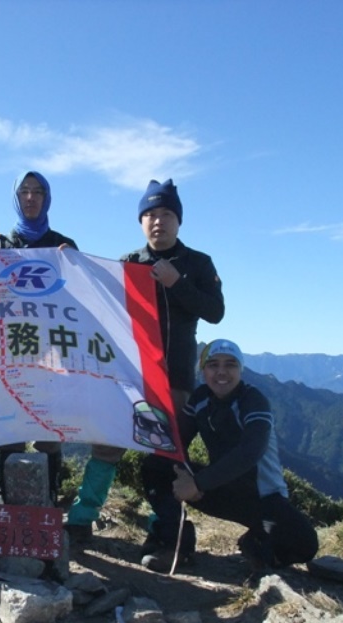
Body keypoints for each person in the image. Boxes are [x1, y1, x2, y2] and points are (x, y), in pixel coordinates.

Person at [65, 178, 225, 541]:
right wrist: (72, 265)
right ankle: (81, 517)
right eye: (150, 214)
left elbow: (215, 312)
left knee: (165, 452)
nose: (158, 221)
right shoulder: (128, 262)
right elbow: (96, 301)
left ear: (178, 221)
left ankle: (166, 528)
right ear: (141, 222)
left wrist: (177, 282)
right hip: (126, 373)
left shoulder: (198, 263)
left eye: (166, 213)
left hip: (176, 377)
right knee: (107, 445)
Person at [138, 339, 319, 573]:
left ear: (240, 369)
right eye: (213, 365)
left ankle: (257, 543)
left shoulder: (253, 401)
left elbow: (250, 452)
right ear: (202, 370)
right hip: (220, 488)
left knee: (305, 545)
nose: (221, 372)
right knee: (155, 465)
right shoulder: (200, 397)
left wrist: (197, 482)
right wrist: (180, 471)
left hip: (263, 497)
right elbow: (177, 441)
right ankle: (174, 543)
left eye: (230, 365)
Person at [0, 170, 78, 508]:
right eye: (24, 191)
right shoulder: (1, 247)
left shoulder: (63, 245)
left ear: (47, 197)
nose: (31, 197)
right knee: (5, 435)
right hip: (10, 353)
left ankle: (47, 507)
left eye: (38, 191)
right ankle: (6, 507)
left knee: (49, 434)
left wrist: (75, 266)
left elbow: (81, 300)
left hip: (52, 356)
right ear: (15, 198)